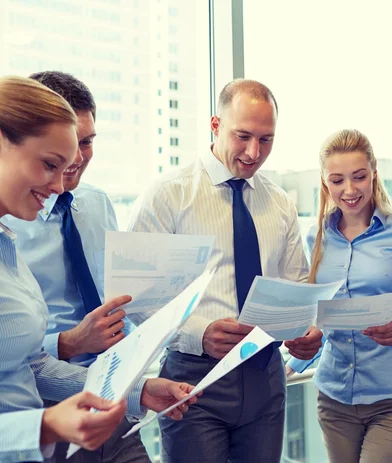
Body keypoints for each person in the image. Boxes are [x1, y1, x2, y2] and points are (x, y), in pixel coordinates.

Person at [0, 76, 196, 462]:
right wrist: (45, 427)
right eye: (49, 165)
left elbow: (28, 365)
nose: (59, 186)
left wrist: (140, 390)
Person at [127, 78, 323, 463]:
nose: (254, 152)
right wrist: (198, 335)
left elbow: (297, 285)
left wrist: (305, 330)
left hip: (267, 376)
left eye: (266, 139)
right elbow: (137, 299)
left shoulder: (280, 202)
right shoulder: (168, 195)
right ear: (215, 126)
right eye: (243, 136)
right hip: (193, 380)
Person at [2, 71, 149, 462]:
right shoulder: (2, 224)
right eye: (65, 145)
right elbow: (12, 357)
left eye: (86, 142)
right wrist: (68, 343)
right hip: (46, 415)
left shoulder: (99, 204)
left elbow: (114, 300)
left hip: (114, 402)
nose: (77, 157)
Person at [286, 129, 392, 463]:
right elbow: (320, 319)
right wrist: (290, 363)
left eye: (359, 177)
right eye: (337, 180)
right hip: (333, 398)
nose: (349, 190)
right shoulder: (316, 236)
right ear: (324, 182)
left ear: (374, 173)